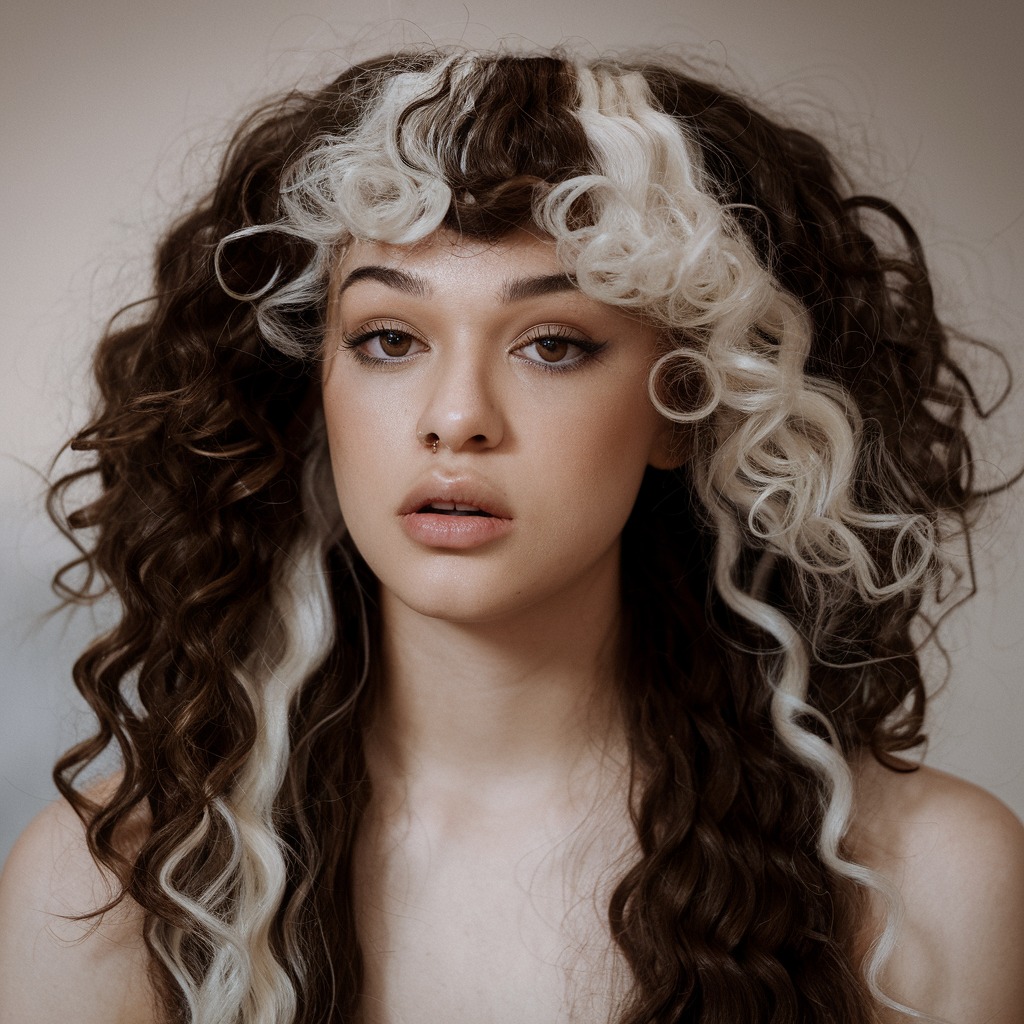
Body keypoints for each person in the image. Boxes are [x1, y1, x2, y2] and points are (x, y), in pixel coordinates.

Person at [0, 48, 1021, 1024]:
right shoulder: (108, 887)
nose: (456, 417)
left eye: (553, 344)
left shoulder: (929, 884)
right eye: (388, 339)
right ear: (317, 391)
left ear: (683, 405)